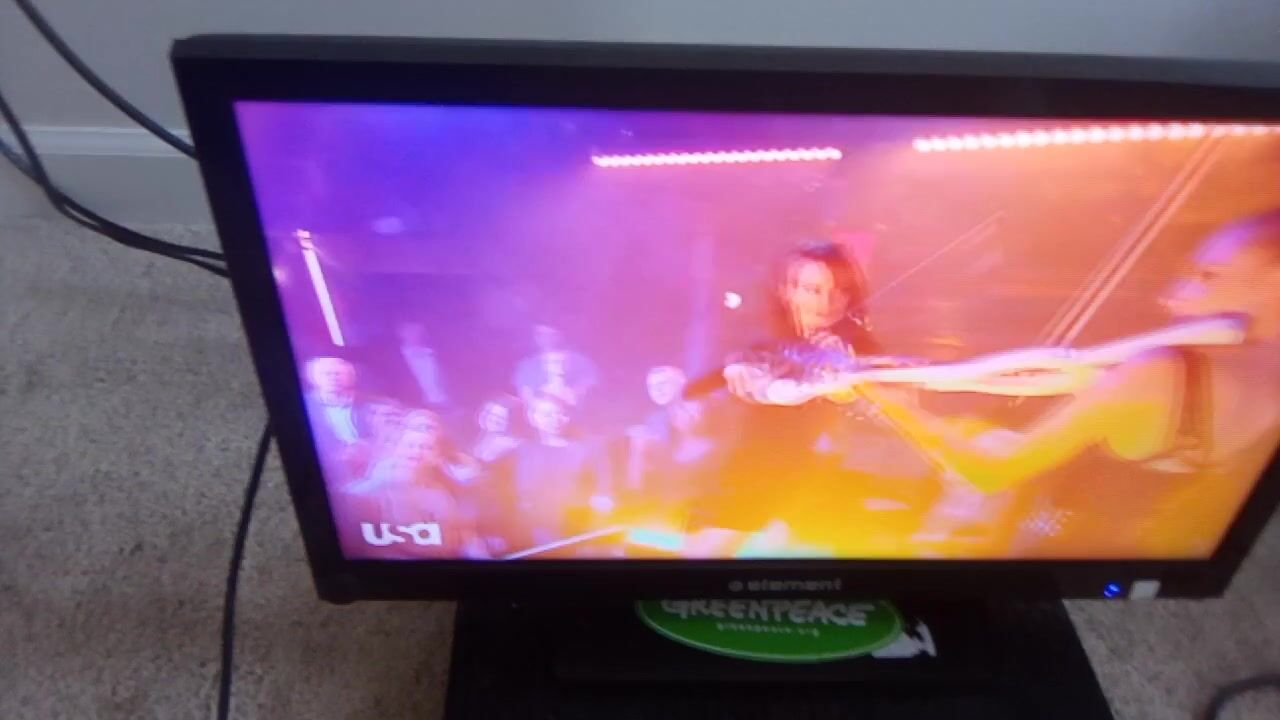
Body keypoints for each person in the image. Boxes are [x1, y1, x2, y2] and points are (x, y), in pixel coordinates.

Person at [857, 211, 1280, 557]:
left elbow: (989, 472)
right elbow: (1070, 376)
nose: (1173, 295)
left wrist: (893, 405)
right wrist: (936, 380)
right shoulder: (1235, 375)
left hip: (1063, 568)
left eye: (1208, 275)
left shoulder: (1158, 373)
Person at [692, 240, 890, 550]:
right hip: (745, 488)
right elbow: (696, 397)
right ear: (787, 290)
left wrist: (852, 378)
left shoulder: (863, 350)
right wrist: (734, 369)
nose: (827, 302)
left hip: (821, 503)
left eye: (840, 291)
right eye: (813, 290)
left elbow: (888, 417)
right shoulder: (759, 346)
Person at [505, 393, 613, 550]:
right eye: (547, 415)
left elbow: (603, 486)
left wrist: (602, 500)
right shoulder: (522, 452)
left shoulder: (587, 449)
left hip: (579, 529)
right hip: (537, 530)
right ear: (532, 417)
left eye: (560, 413)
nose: (555, 419)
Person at [512, 324, 599, 408]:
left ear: (559, 335)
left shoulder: (579, 361)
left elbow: (588, 390)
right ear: (535, 336)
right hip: (539, 414)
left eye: (551, 334)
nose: (546, 338)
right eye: (541, 334)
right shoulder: (527, 365)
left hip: (577, 415)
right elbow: (526, 397)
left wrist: (571, 398)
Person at [395, 321, 450, 407]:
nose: (415, 334)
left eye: (419, 330)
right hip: (414, 408)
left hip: (447, 405)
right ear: (400, 332)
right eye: (410, 330)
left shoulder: (437, 354)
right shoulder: (394, 360)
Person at [471, 396, 521, 464]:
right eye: (489, 413)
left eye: (499, 418)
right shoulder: (484, 435)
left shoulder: (511, 445)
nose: (492, 419)